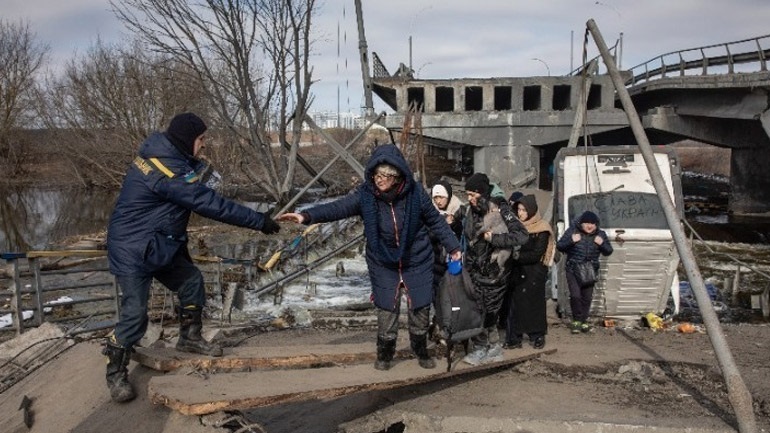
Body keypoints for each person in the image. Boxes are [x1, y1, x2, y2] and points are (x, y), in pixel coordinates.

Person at [104, 112, 281, 403]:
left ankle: (190, 338)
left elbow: (193, 184)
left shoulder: (169, 158)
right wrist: (258, 221)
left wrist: (200, 169)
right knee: (135, 315)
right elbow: (207, 203)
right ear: (187, 139)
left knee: (191, 282)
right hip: (133, 250)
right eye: (201, 139)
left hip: (157, 243)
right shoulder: (164, 170)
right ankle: (115, 373)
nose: (204, 145)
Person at [278, 144, 462, 371]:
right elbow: (338, 208)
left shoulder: (415, 194)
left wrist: (453, 247)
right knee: (387, 309)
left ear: (396, 177)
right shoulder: (366, 195)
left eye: (385, 175)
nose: (379, 179)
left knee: (420, 309)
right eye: (376, 174)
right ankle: (385, 354)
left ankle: (420, 349)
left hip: (416, 259)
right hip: (383, 261)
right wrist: (305, 215)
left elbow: (435, 221)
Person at [460, 173, 528, 366]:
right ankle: (485, 348)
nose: (469, 199)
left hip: (494, 272)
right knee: (476, 310)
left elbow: (521, 236)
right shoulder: (471, 211)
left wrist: (495, 239)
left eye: (473, 194)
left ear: (482, 193)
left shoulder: (501, 208)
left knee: (487, 313)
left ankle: (489, 348)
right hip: (475, 270)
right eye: (467, 194)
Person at [504, 194, 555, 349]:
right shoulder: (515, 227)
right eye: (519, 209)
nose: (520, 213)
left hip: (534, 272)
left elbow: (537, 253)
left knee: (534, 305)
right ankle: (514, 337)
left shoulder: (542, 228)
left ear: (531, 211)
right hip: (517, 272)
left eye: (524, 210)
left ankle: (537, 335)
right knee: (515, 305)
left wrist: (515, 256)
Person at [556, 210, 613, 334]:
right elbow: (560, 246)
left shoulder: (600, 234)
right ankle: (576, 320)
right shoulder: (573, 231)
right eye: (586, 223)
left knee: (587, 298)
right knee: (576, 296)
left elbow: (608, 251)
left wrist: (602, 244)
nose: (589, 226)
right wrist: (571, 241)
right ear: (581, 223)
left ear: (596, 225)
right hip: (573, 269)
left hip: (590, 270)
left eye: (592, 223)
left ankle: (584, 320)